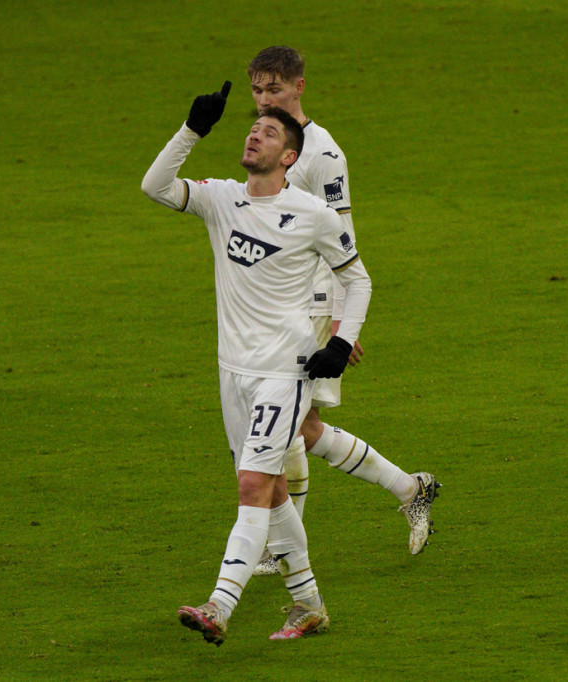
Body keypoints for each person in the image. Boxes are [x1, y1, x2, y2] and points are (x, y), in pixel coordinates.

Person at [142, 80, 372, 645]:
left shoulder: (312, 213)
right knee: (269, 493)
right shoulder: (222, 198)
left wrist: (341, 342)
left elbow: (357, 278)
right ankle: (309, 605)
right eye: (251, 128)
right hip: (232, 372)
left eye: (268, 131)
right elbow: (155, 186)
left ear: (288, 156)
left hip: (283, 371)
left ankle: (220, 605)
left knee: (251, 485)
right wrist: (191, 130)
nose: (254, 134)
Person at [246, 47, 439, 570]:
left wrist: (341, 327)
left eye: (276, 90)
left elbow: (343, 243)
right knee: (298, 429)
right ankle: (409, 486)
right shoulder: (269, 142)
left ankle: (284, 552)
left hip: (309, 306)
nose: (266, 100)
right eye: (259, 91)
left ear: (300, 87)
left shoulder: (323, 154)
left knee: (286, 429)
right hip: (276, 306)